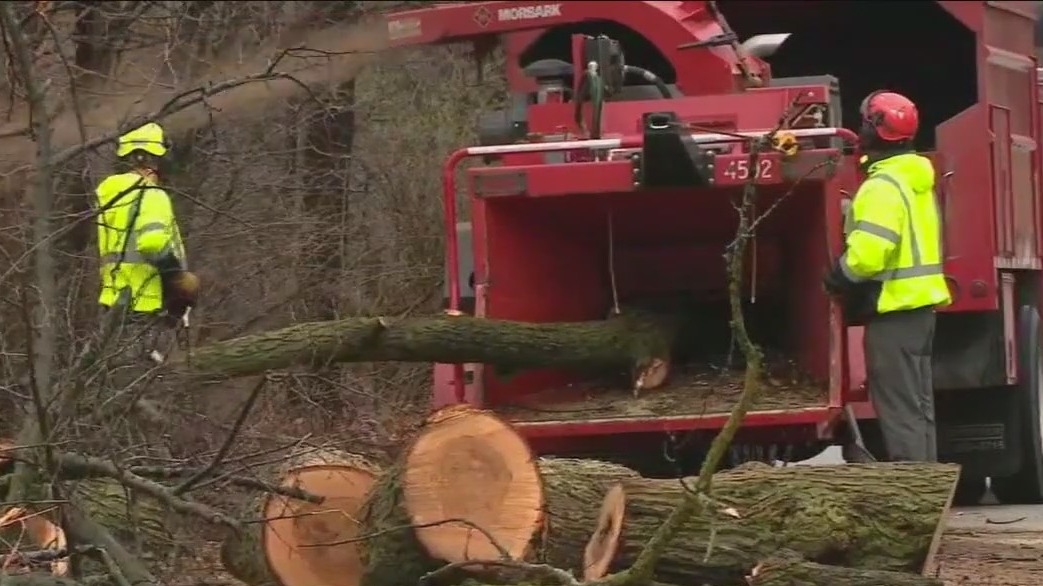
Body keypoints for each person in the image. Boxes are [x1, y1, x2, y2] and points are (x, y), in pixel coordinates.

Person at [823, 90, 952, 462]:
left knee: (898, 411)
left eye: (864, 122)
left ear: (875, 130)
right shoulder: (912, 179)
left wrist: (838, 275)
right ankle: (928, 490)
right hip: (918, 310)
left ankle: (913, 499)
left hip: (893, 312)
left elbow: (869, 255)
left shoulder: (882, 186)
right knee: (918, 408)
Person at [94, 122, 198, 363]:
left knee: (117, 377)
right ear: (156, 158)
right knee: (147, 377)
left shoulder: (111, 195)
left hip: (115, 301)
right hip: (147, 305)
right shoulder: (151, 194)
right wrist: (177, 280)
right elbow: (152, 243)